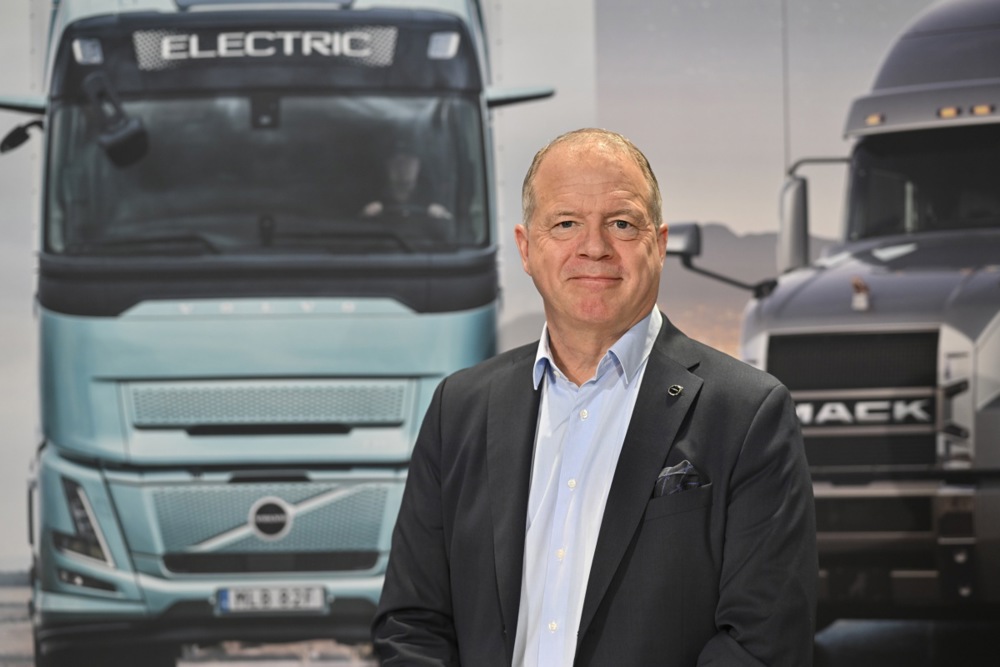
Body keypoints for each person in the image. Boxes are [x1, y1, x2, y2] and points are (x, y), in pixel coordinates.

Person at [372, 128, 817, 666]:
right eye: (565, 223)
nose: (594, 247)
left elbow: (762, 642)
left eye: (622, 224)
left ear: (658, 243)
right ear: (526, 249)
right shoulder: (459, 410)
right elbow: (412, 624)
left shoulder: (747, 414)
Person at [361, 147, 452, 220]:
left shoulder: (436, 197)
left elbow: (452, 224)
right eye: (396, 162)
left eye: (408, 162)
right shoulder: (370, 196)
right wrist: (365, 215)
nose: (402, 168)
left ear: (418, 166)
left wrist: (442, 216)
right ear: (387, 166)